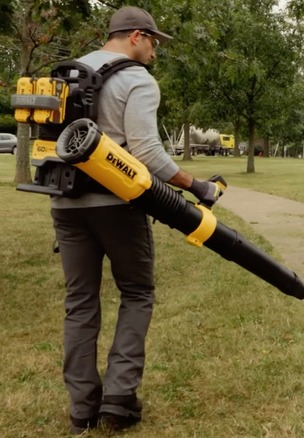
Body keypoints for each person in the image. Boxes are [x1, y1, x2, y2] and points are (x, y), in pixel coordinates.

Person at [51, 6, 223, 434]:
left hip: (65, 203)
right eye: (153, 42)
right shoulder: (137, 80)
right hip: (118, 205)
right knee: (137, 293)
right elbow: (146, 153)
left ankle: (81, 411)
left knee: (80, 302)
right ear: (134, 36)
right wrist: (196, 186)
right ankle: (119, 400)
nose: (154, 51)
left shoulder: (66, 74)